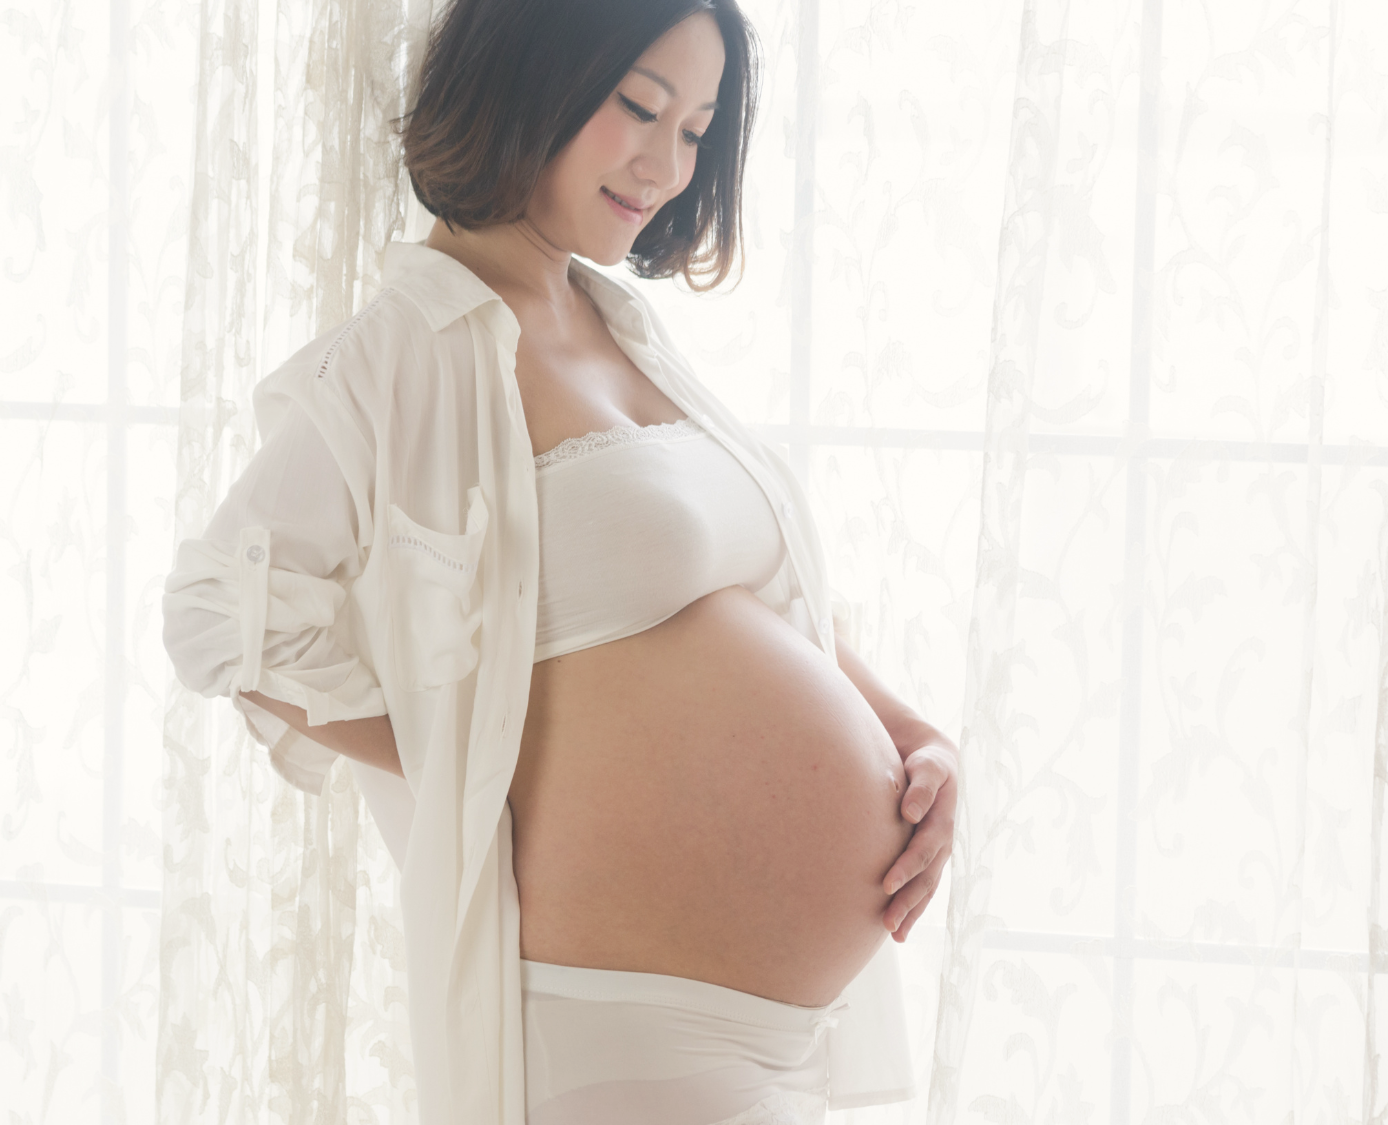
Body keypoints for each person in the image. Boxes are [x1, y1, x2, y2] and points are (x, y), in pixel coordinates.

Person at [161, 0, 960, 1121]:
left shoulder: (621, 325)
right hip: (616, 1027)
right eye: (638, 105)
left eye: (695, 127)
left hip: (774, 1039)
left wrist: (909, 731)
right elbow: (215, 613)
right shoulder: (407, 353)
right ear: (528, 73)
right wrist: (465, 756)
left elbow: (751, 597)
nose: (666, 163)